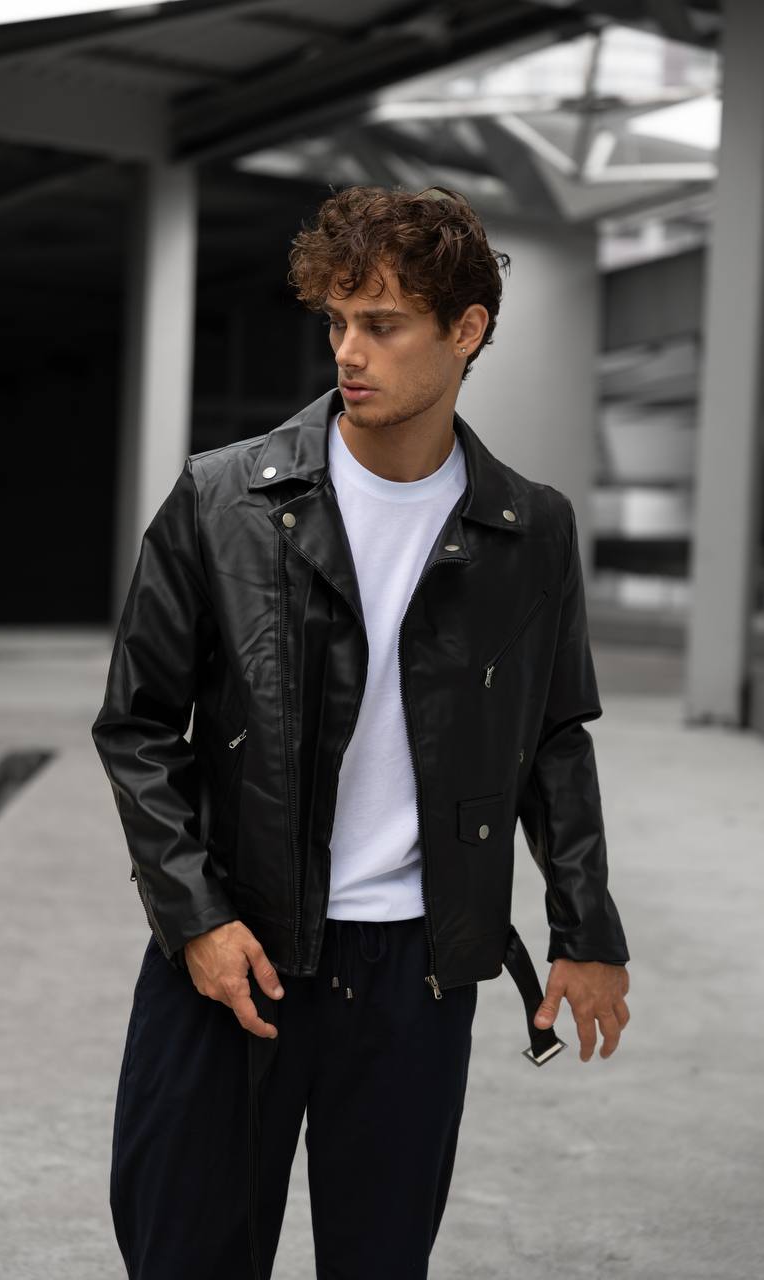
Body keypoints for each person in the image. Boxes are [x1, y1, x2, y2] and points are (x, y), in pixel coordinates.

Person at [91, 184, 631, 1280]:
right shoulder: (222, 499)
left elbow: (553, 737)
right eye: (337, 320)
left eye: (381, 324)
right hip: (236, 950)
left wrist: (587, 930)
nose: (347, 350)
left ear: (465, 330)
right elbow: (138, 726)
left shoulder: (529, 528)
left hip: (415, 975)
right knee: (182, 1249)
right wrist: (194, 917)